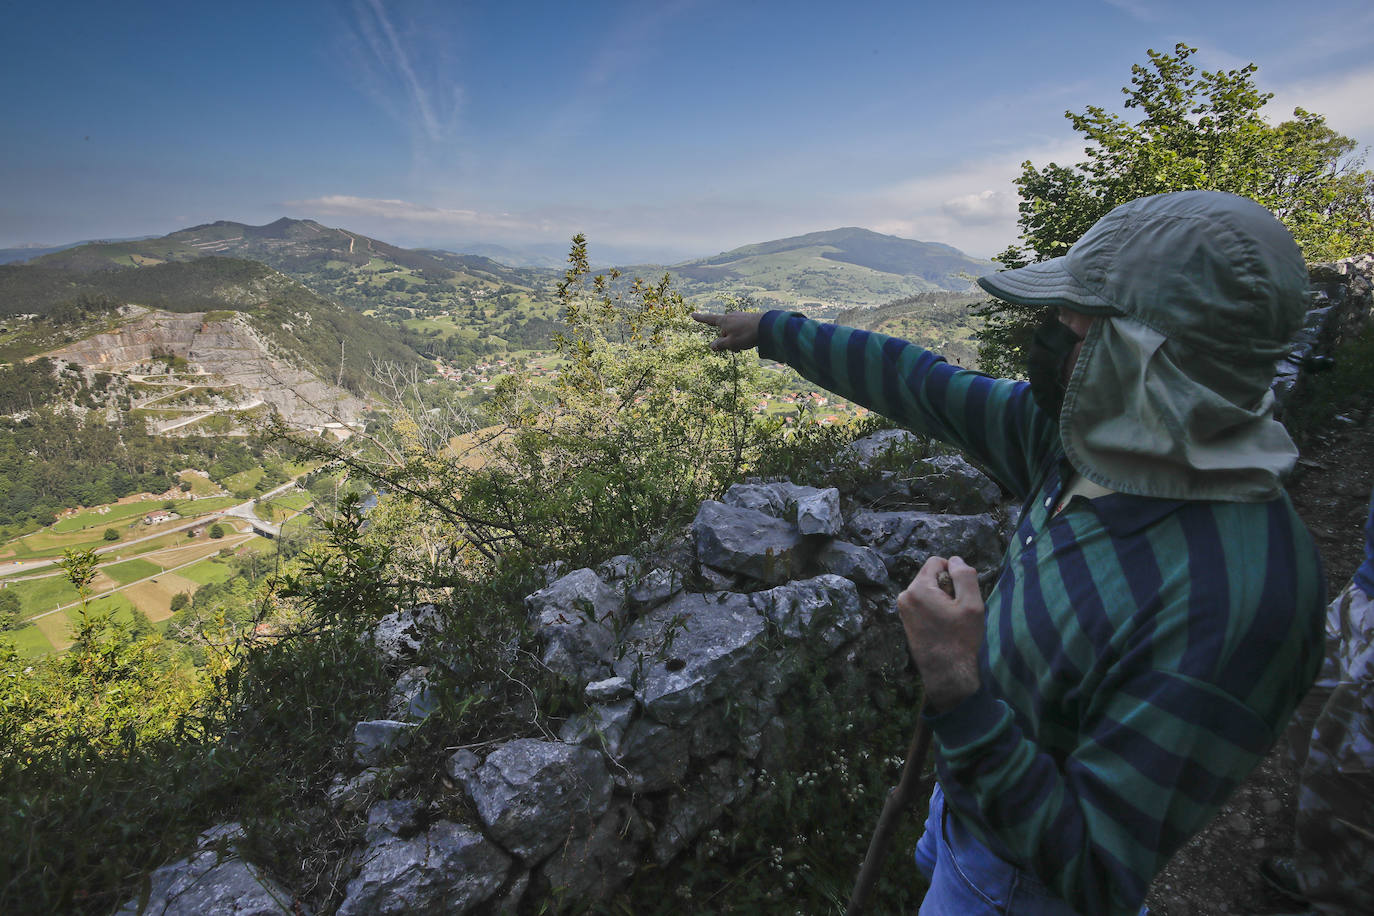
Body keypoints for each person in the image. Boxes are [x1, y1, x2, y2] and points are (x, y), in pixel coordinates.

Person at [693, 190, 1327, 916]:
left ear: (1155, 361)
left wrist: (958, 688)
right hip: (971, 800)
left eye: (1076, 328)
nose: (1050, 341)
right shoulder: (1080, 443)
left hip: (1018, 886)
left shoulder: (1241, 599)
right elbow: (926, 387)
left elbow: (1093, 872)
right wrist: (778, 331)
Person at [1261, 487, 1374, 915]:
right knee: (1308, 716)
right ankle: (1324, 866)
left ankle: (1338, 897)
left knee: (1353, 773)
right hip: (1365, 588)